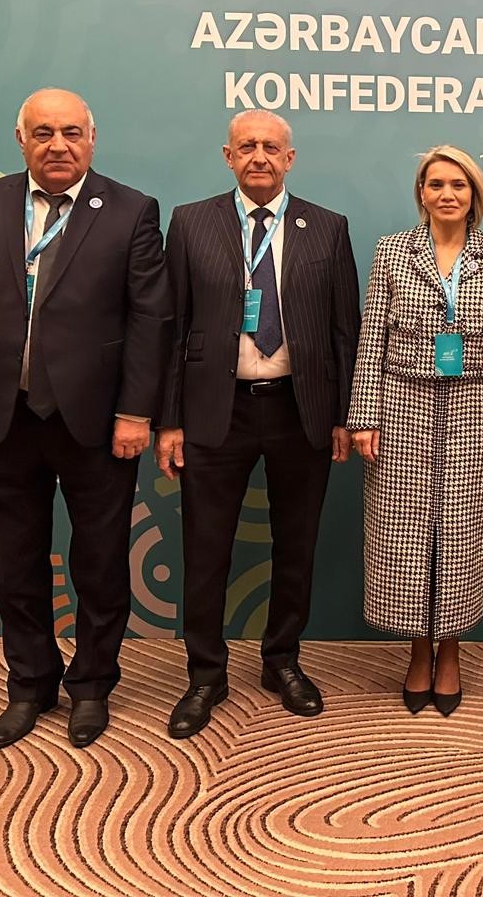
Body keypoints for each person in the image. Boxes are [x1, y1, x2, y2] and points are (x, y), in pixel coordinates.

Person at [0, 88, 171, 748]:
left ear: (91, 139)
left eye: (71, 133)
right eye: (43, 133)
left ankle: (91, 686)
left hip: (96, 423)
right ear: (21, 140)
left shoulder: (132, 210)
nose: (58, 145)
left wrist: (136, 412)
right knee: (14, 561)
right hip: (0, 417)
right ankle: (30, 682)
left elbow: (150, 321)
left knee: (99, 561)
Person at [155, 110, 359, 739]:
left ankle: (282, 660)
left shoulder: (328, 228)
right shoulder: (192, 222)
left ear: (290, 158)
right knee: (205, 549)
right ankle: (205, 674)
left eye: (272, 147)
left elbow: (345, 331)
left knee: (296, 545)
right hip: (216, 409)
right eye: (247, 146)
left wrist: (346, 416)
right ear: (228, 156)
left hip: (301, 408)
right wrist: (169, 421)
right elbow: (170, 326)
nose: (260, 157)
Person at [347, 146, 483, 716]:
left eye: (459, 185)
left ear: (474, 196)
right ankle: (417, 649)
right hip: (402, 403)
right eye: (436, 184)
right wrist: (363, 416)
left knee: (462, 532)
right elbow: (371, 338)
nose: (448, 194)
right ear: (421, 193)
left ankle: (450, 650)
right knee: (401, 534)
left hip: (474, 405)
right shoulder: (392, 251)